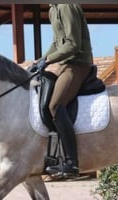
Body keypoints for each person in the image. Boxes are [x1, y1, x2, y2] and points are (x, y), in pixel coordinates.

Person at [33, 4, 93, 178]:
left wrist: (49, 60)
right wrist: (41, 60)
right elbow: (56, 42)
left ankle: (72, 162)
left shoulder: (67, 6)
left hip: (78, 64)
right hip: (65, 65)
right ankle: (53, 155)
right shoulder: (53, 9)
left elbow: (73, 44)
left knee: (55, 105)